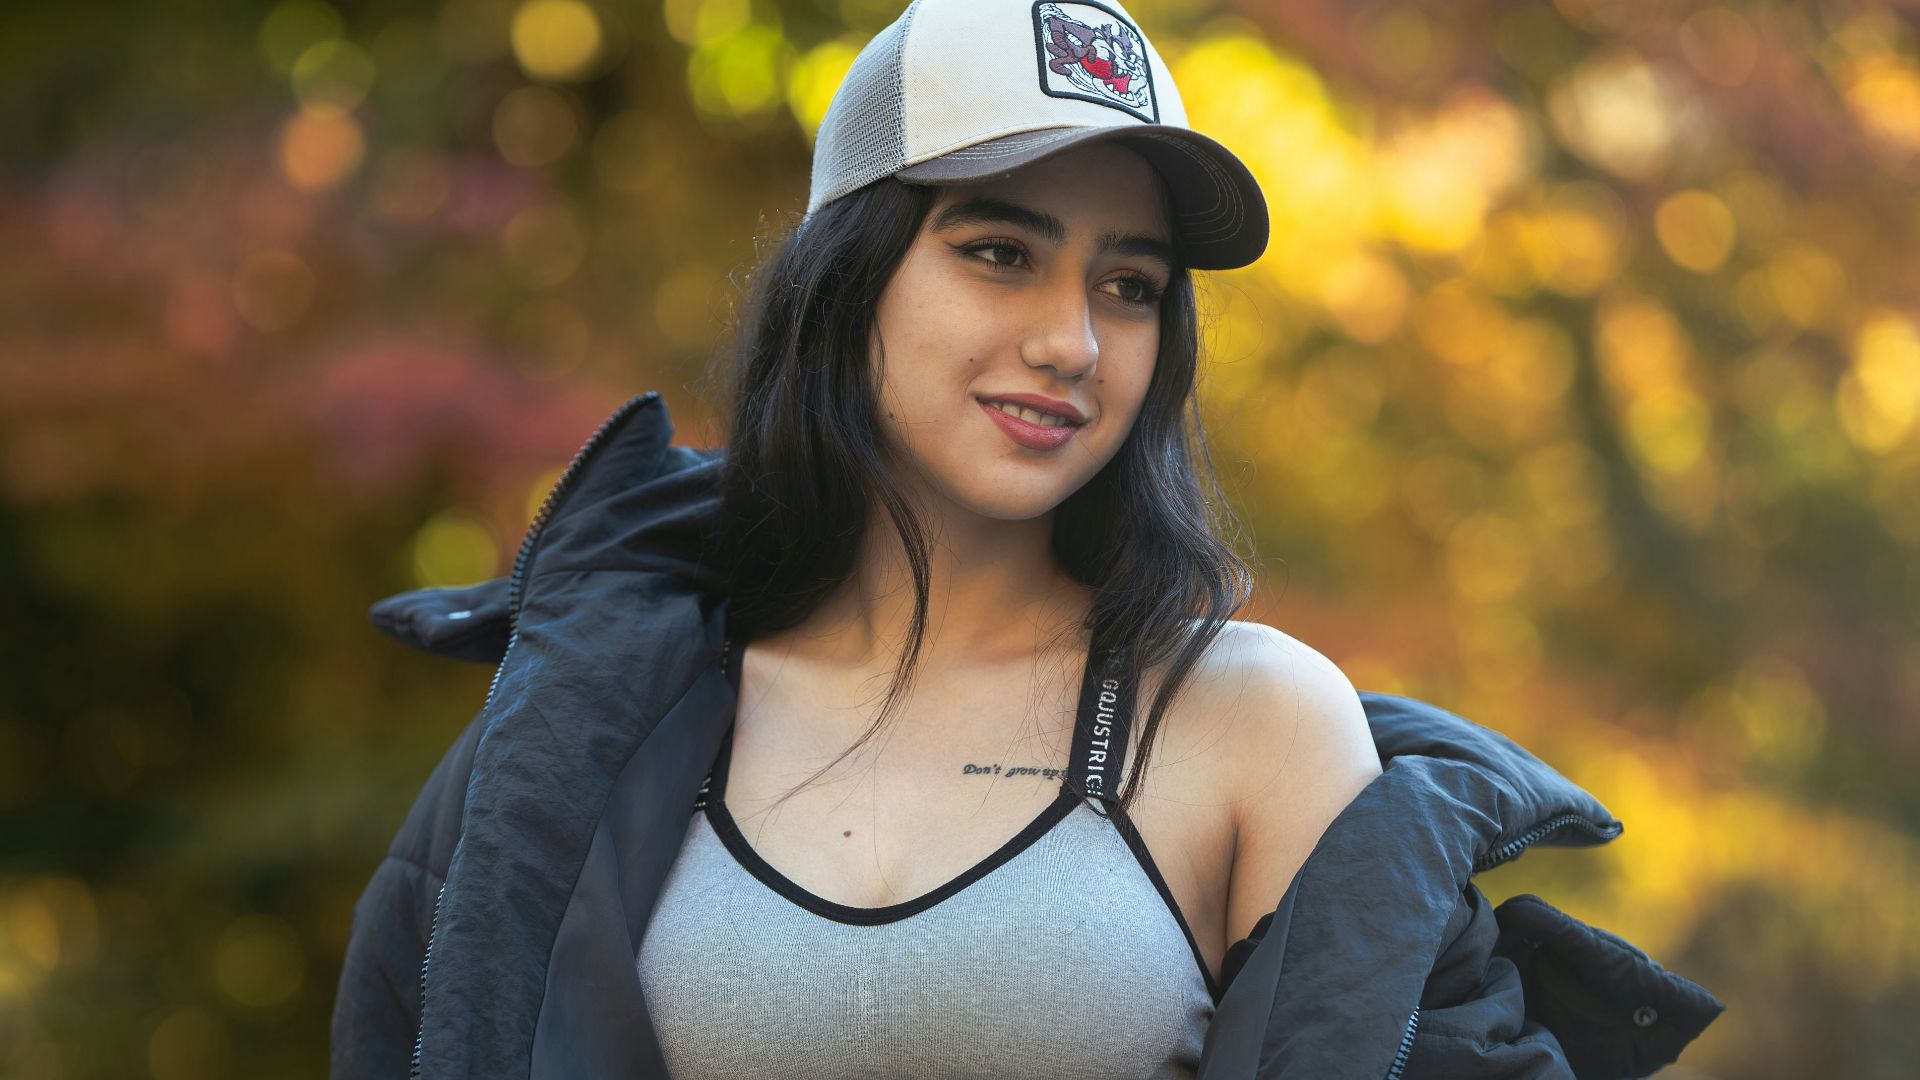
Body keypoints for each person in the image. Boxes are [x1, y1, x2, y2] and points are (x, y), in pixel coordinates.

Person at [331, 1, 1725, 1077]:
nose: (1071, 342)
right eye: (1000, 251)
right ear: (850, 275)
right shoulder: (591, 728)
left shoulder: (1250, 723)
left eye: (1129, 285)